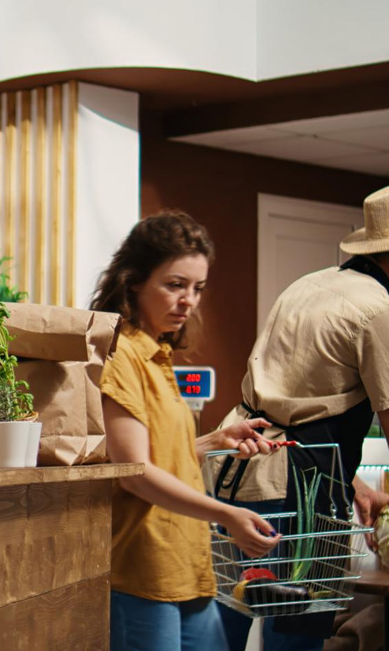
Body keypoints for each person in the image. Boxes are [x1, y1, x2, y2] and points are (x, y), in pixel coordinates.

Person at [210, 184, 389, 651]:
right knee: (296, 638)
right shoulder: (379, 310)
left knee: (226, 621)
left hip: (242, 473)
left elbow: (291, 404)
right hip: (303, 492)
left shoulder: (307, 284)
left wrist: (356, 486)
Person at [91, 211, 281, 651]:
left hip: (188, 564)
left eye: (197, 288)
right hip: (143, 568)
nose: (188, 301)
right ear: (134, 280)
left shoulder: (159, 354)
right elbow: (133, 472)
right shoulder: (123, 355)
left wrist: (215, 441)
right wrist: (227, 514)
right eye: (175, 285)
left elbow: (159, 456)